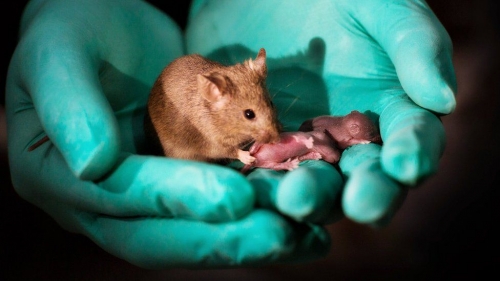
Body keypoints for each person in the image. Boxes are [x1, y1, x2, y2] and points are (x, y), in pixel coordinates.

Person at [4, 0, 456, 269]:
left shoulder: (248, 83)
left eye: (268, 111)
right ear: (214, 95)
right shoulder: (207, 106)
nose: (269, 127)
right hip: (174, 152)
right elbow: (218, 137)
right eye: (251, 115)